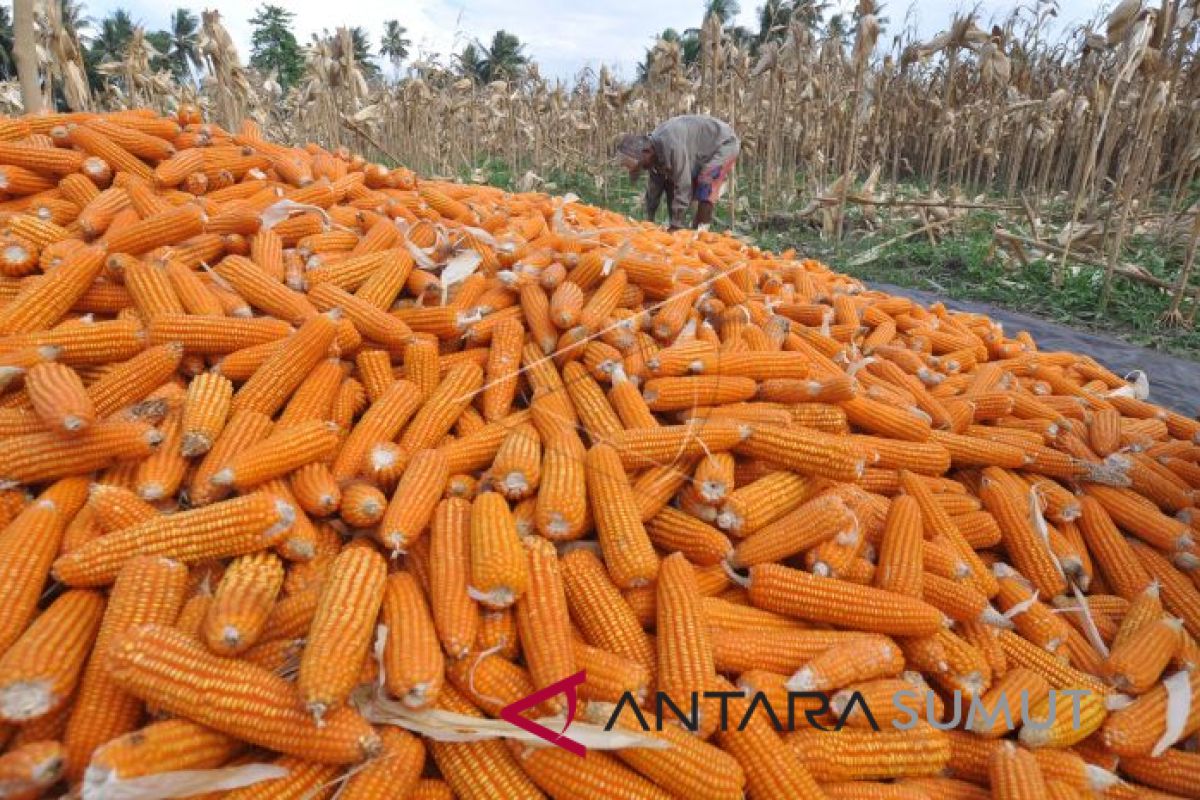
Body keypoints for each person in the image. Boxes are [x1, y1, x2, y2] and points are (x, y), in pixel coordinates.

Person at [616, 114, 740, 231]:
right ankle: (683, 229)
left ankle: (701, 235)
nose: (643, 168)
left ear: (647, 152)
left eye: (642, 164)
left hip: (723, 143)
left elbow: (684, 185)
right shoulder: (653, 151)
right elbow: (654, 189)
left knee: (705, 183)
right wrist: (649, 221)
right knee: (669, 182)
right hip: (697, 150)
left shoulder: (672, 147)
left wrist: (675, 226)